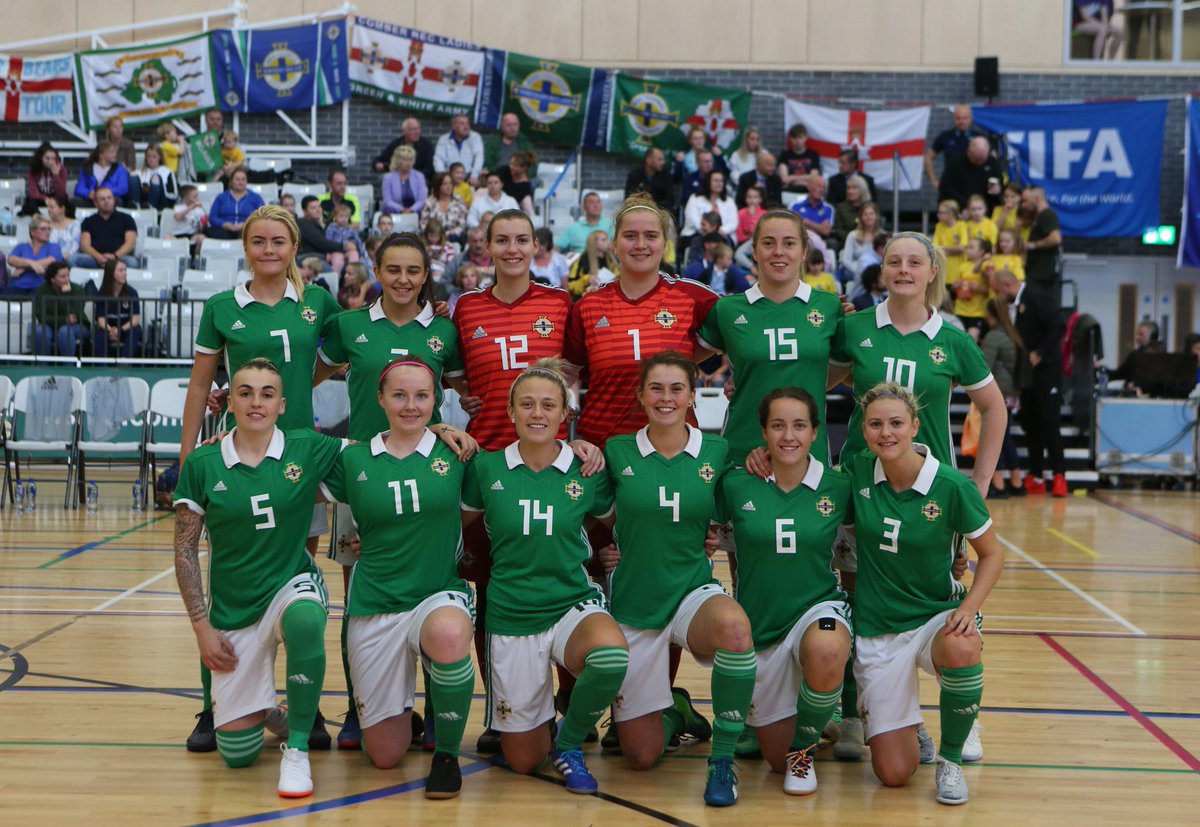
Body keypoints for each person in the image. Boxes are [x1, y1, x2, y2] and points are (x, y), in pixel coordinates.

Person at [828, 232, 1005, 758]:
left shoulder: (952, 338)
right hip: (863, 486)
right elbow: (815, 381)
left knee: (944, 597)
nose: (903, 269)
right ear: (882, 270)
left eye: (914, 262)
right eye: (894, 261)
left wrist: (979, 482)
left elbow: (994, 408)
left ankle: (961, 716)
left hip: (931, 492)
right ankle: (856, 713)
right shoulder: (856, 328)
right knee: (859, 595)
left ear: (932, 273)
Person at [180, 206, 344, 754]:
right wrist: (189, 456)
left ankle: (302, 706)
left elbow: (344, 351)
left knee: (296, 582)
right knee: (229, 580)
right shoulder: (222, 307)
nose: (268, 250)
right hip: (238, 456)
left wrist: (298, 384)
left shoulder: (317, 302)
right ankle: (215, 706)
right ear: (246, 247)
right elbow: (200, 385)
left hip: (300, 460)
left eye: (278, 241)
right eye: (258, 241)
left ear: (294, 247)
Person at [317, 235, 472, 751]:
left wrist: (449, 431)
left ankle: (437, 710)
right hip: (361, 477)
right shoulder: (348, 326)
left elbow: (464, 394)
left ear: (427, 275)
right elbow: (302, 379)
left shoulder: (445, 330)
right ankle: (361, 706)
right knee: (358, 596)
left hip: (427, 474)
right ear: (377, 271)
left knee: (430, 588)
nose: (403, 279)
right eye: (393, 269)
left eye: (413, 270)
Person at [173, 357, 346, 799]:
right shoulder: (203, 462)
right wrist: (201, 626)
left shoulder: (307, 447)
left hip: (291, 584)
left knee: (306, 621)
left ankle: (299, 749)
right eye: (245, 393)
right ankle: (269, 710)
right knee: (237, 753)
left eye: (267, 394)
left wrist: (441, 430)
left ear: (281, 405)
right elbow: (185, 550)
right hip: (235, 606)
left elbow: (382, 454)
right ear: (229, 402)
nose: (256, 402)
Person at [460, 359, 627, 794]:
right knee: (523, 761)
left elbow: (624, 524)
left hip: (571, 601)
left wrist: (617, 552)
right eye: (527, 404)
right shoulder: (485, 469)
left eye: (549, 405)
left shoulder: (586, 468)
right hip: (511, 612)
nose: (538, 413)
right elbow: (450, 526)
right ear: (510, 411)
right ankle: (538, 723)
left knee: (610, 657)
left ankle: (568, 744)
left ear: (565, 413)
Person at [600, 352, 753, 808]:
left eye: (676, 389)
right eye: (656, 388)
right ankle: (678, 711)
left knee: (734, 629)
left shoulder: (717, 451)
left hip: (691, 592)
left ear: (692, 397)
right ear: (640, 396)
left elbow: (728, 510)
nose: (666, 398)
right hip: (635, 601)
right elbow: (586, 511)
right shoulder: (616, 450)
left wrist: (713, 533)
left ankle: (722, 761)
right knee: (640, 757)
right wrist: (604, 549)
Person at [321, 355, 476, 797]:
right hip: (377, 600)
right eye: (400, 395)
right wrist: (231, 434)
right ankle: (402, 713)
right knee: (384, 755)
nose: (411, 405)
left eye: (422, 396)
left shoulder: (458, 452)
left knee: (449, 634)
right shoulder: (352, 457)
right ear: (380, 399)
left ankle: (446, 756)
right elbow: (286, 464)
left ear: (436, 399)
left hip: (436, 594)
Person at [846, 381, 1003, 805]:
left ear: (915, 426)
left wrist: (969, 607)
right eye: (875, 424)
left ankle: (950, 761)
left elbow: (992, 555)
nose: (886, 432)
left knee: (962, 645)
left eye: (896, 423)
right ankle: (910, 724)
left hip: (935, 615)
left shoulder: (951, 486)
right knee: (894, 774)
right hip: (879, 626)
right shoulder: (857, 472)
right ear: (864, 430)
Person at [717, 387, 853, 796]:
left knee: (827, 648)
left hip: (817, 608)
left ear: (815, 432)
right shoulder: (736, 484)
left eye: (799, 426)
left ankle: (804, 749)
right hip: (761, 626)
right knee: (774, 762)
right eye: (778, 426)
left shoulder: (839, 486)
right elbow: (689, 527)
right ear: (763, 432)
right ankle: (814, 716)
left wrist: (950, 559)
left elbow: (885, 530)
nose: (788, 436)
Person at [698, 209, 845, 466]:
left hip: (809, 457)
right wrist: (746, 380)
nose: (778, 252)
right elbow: (683, 358)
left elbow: (843, 368)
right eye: (768, 243)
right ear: (754, 251)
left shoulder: (830, 307)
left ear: (804, 250)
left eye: (789, 243)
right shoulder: (728, 309)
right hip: (742, 453)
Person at [980, 298, 1023, 498]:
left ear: (989, 313)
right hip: (1010, 392)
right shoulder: (1010, 332)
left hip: (998, 392)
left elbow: (983, 367)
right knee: (1005, 437)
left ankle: (999, 485)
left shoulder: (994, 336)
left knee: (995, 437)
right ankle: (1016, 480)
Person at [68, 188, 138, 269]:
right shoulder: (88, 221)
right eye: (102, 199)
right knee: (72, 259)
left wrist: (114, 256)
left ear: (114, 200)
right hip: (94, 259)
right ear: (95, 203)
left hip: (119, 258)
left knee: (132, 262)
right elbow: (84, 245)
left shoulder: (127, 219)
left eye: (109, 198)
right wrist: (99, 257)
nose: (106, 201)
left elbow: (130, 243)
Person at [924, 105, 987, 192]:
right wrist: (934, 181)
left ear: (970, 119)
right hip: (951, 185)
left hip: (975, 185)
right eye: (958, 118)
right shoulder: (945, 136)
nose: (961, 121)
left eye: (964, 118)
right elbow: (928, 157)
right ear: (954, 119)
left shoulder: (979, 137)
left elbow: (992, 158)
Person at [87, 258, 141, 357]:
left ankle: (125, 361)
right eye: (121, 270)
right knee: (99, 335)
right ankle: (101, 363)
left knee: (135, 331)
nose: (125, 273)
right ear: (111, 273)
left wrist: (120, 330)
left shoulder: (132, 292)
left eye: (125, 270)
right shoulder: (102, 294)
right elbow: (101, 320)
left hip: (126, 328)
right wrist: (111, 330)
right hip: (108, 329)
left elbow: (135, 319)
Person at [31, 261, 88, 355]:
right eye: (62, 276)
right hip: (50, 326)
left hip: (77, 326)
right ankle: (41, 363)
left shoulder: (77, 289)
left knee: (64, 331)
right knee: (41, 332)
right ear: (53, 279)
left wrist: (66, 294)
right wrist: (64, 319)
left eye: (68, 275)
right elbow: (41, 316)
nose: (67, 279)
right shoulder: (42, 290)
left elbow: (74, 315)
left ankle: (67, 364)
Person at [939, 136, 1004, 214]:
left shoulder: (993, 163)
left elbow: (999, 183)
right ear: (968, 152)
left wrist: (997, 190)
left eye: (982, 160)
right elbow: (945, 187)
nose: (979, 163)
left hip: (984, 209)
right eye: (976, 159)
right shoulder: (956, 162)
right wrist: (964, 205)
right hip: (960, 207)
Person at [6, 215, 64, 295]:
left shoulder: (54, 246)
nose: (47, 232)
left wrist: (23, 268)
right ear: (33, 232)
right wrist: (31, 263)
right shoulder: (22, 246)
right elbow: (11, 260)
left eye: (49, 229)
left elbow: (51, 260)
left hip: (42, 286)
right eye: (43, 229)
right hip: (18, 285)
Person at [1021, 186, 1062, 292]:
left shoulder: (1047, 215)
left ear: (1037, 199)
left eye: (1025, 201)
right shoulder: (1037, 217)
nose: (1023, 205)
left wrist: (1032, 245)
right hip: (1035, 273)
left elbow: (1055, 239)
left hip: (1042, 276)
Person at [208, 167, 265, 240]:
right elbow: (212, 217)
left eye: (243, 179)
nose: (240, 182)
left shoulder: (256, 198)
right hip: (224, 229)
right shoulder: (221, 197)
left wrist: (246, 224)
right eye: (237, 179)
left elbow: (263, 216)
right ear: (231, 181)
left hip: (246, 229)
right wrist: (224, 224)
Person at [683, 170, 737, 246]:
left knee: (723, 242)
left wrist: (719, 231)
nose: (719, 183)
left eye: (721, 181)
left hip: (721, 234)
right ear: (708, 182)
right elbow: (691, 219)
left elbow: (733, 223)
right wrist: (707, 230)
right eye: (716, 181)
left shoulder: (729, 201)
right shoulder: (695, 198)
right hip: (696, 234)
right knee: (700, 242)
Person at [953, 237, 991, 341]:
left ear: (981, 252)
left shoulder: (986, 265)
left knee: (971, 341)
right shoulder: (962, 265)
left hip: (977, 312)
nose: (967, 250)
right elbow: (954, 287)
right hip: (960, 310)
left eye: (971, 247)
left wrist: (977, 288)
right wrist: (956, 285)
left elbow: (989, 291)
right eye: (967, 247)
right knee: (957, 340)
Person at [73, 141, 131, 207]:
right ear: (101, 155)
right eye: (111, 152)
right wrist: (88, 193)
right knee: (74, 202)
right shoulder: (87, 168)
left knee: (117, 202)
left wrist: (104, 193)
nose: (115, 154)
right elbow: (79, 188)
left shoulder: (119, 168)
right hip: (92, 199)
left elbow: (123, 188)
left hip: (110, 198)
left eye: (115, 152)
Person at [434, 114, 484, 187]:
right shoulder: (443, 139)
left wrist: (474, 175)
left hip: (468, 178)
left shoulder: (475, 137)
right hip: (449, 178)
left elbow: (479, 157)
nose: (466, 127)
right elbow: (438, 159)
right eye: (462, 124)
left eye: (467, 123)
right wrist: (443, 177)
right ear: (453, 126)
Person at [296, 196, 344, 270]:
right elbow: (320, 242)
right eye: (313, 208)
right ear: (305, 211)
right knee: (329, 272)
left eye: (319, 206)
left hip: (321, 256)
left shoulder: (321, 224)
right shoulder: (302, 223)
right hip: (308, 257)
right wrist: (344, 246)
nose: (318, 210)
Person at [483, 112, 537, 178]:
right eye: (509, 125)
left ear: (519, 126)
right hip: (498, 178)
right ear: (502, 127)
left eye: (515, 124)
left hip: (519, 179)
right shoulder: (491, 145)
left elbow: (533, 165)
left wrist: (523, 175)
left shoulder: (526, 145)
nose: (512, 128)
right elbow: (487, 165)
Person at [567, 229, 617, 298]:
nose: (608, 242)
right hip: (585, 297)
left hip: (608, 297)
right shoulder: (582, 260)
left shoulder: (611, 259)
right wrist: (587, 279)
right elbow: (570, 285)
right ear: (594, 243)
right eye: (603, 240)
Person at [420, 172, 469, 242]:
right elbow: (423, 224)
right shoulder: (429, 202)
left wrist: (446, 235)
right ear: (438, 186)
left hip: (454, 238)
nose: (448, 186)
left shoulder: (459, 201)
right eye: (444, 184)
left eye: (450, 183)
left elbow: (462, 225)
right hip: (432, 239)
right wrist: (434, 235)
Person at [21, 142, 67, 216]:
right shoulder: (34, 170)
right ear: (41, 158)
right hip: (40, 198)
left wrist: (56, 175)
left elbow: (61, 193)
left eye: (53, 159)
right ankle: (40, 218)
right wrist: (45, 198)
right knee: (30, 203)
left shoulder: (61, 169)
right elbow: (33, 193)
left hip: (56, 198)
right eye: (47, 158)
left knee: (66, 203)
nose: (50, 162)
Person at [624, 146, 675, 212]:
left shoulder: (666, 176)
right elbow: (628, 199)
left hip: (660, 212)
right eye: (659, 159)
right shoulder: (634, 175)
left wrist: (653, 208)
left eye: (663, 159)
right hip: (638, 212)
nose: (663, 163)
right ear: (649, 160)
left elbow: (670, 200)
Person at [381, 145, 428, 216]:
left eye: (411, 160)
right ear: (398, 161)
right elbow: (388, 201)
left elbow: (421, 200)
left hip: (415, 211)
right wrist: (401, 209)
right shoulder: (388, 178)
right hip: (394, 210)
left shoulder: (419, 176)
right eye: (405, 160)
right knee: (388, 210)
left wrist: (411, 210)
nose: (408, 163)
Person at [933, 199, 969, 284]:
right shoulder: (939, 226)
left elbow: (962, 248)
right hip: (944, 270)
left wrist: (943, 248)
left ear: (951, 214)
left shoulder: (962, 225)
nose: (938, 215)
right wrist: (954, 249)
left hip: (958, 270)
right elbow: (935, 248)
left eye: (942, 213)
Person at [133, 143, 179, 210]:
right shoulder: (142, 172)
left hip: (162, 202)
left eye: (154, 157)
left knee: (156, 178)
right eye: (148, 156)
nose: (151, 159)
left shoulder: (167, 172)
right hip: (143, 201)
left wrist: (158, 189)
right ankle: (136, 205)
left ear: (159, 157)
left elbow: (174, 195)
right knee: (133, 176)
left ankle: (150, 205)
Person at [790, 174, 834, 244]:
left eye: (823, 187)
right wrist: (818, 227)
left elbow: (825, 231)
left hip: (818, 242)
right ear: (809, 186)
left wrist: (807, 222)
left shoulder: (828, 208)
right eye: (818, 186)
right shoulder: (795, 205)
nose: (821, 190)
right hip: (798, 240)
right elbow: (791, 227)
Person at [325, 203, 367, 274]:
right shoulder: (331, 228)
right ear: (335, 216)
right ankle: (336, 277)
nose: (344, 219)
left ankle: (354, 276)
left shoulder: (350, 229)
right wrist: (328, 253)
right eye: (341, 216)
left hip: (349, 250)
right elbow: (327, 241)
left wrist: (361, 254)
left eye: (346, 216)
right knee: (337, 261)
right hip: (336, 250)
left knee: (354, 255)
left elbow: (358, 241)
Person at [779, 124, 820, 192]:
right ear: (790, 138)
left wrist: (791, 177)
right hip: (789, 191)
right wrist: (805, 179)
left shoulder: (813, 155)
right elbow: (784, 179)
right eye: (794, 138)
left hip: (809, 191)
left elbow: (814, 177)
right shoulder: (784, 155)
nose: (797, 141)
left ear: (805, 138)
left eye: (800, 137)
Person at [497, 150, 537, 216]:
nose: (511, 167)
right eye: (511, 164)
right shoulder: (504, 170)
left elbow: (513, 200)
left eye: (515, 165)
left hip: (508, 204)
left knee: (527, 201)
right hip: (494, 195)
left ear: (524, 168)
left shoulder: (525, 185)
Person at [172, 185, 208, 256]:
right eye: (194, 197)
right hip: (177, 235)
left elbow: (201, 227)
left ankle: (196, 257)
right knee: (168, 238)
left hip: (191, 235)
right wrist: (192, 207)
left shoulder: (199, 210)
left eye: (197, 196)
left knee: (202, 238)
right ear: (186, 198)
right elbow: (178, 217)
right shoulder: (178, 208)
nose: (197, 198)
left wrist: (203, 224)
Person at [726, 126, 763, 190]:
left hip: (760, 188)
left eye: (757, 139)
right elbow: (734, 174)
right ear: (746, 139)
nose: (755, 142)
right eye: (752, 139)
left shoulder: (764, 155)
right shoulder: (736, 155)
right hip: (742, 188)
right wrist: (748, 185)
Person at [45, 194, 80, 260]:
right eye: (48, 207)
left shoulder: (75, 224)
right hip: (48, 260)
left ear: (62, 209)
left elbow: (75, 247)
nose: (48, 210)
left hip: (70, 260)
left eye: (52, 207)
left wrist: (62, 258)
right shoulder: (45, 225)